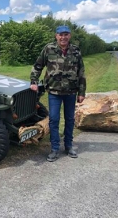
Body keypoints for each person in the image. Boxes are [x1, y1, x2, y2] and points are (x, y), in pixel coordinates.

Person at [30, 25, 86, 162]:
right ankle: (55, 148)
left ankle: (68, 146)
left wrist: (82, 92)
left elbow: (81, 72)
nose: (63, 37)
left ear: (70, 36)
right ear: (56, 36)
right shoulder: (49, 49)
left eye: (66, 34)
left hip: (71, 92)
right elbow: (38, 65)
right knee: (54, 120)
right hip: (54, 92)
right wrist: (33, 81)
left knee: (70, 120)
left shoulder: (76, 51)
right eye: (61, 34)